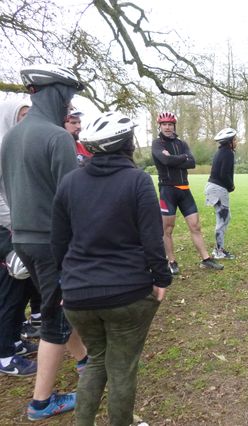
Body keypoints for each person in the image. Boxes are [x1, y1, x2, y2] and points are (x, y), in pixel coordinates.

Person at [51, 111, 172, 426]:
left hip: (79, 297)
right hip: (127, 294)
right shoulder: (138, 181)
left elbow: (59, 243)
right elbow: (152, 239)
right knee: (122, 368)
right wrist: (162, 279)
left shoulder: (69, 183)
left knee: (96, 362)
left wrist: (65, 284)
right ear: (127, 144)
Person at [1, 63, 87, 420]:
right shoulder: (56, 138)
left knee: (57, 307)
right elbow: (73, 203)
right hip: (53, 244)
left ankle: (85, 359)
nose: (69, 108)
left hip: (21, 241)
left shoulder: (11, 137)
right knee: (55, 318)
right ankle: (41, 403)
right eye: (67, 98)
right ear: (54, 93)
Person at [152, 112, 221, 274]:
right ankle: (171, 261)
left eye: (170, 124)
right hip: (167, 190)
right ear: (160, 126)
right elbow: (165, 161)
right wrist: (182, 159)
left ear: (174, 126)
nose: (167, 127)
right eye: (164, 124)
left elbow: (192, 163)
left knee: (195, 226)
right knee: (167, 229)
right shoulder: (157, 144)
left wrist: (177, 158)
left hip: (184, 190)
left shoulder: (181, 143)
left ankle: (205, 259)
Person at [0, 99, 38, 378]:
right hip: (6, 231)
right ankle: (4, 356)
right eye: (22, 115)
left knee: (22, 288)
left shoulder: (20, 147)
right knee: (9, 292)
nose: (27, 120)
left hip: (20, 228)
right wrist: (16, 224)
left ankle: (13, 339)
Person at [205, 127, 238, 261]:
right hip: (218, 189)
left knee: (225, 217)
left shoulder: (220, 152)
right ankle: (219, 251)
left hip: (213, 188)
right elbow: (224, 173)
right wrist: (231, 185)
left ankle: (218, 249)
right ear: (229, 142)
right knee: (222, 219)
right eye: (235, 139)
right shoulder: (228, 153)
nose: (236, 142)